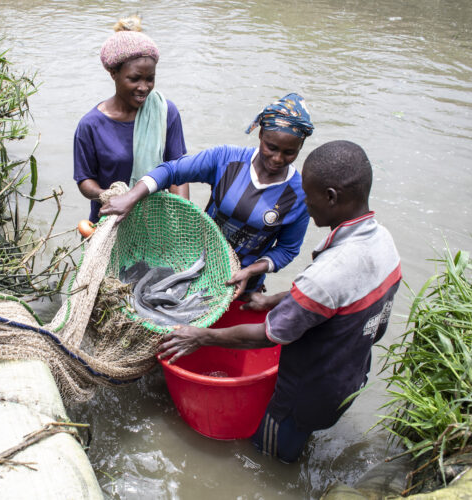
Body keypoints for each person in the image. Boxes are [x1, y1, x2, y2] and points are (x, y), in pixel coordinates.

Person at [157, 140, 402, 463]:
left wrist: (202, 336)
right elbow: (341, 300)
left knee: (267, 461)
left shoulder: (325, 274)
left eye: (308, 194)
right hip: (351, 378)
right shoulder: (383, 242)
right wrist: (272, 300)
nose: (305, 203)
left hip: (303, 395)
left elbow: (267, 335)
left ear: (331, 196)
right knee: (302, 439)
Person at [99, 93, 314, 298]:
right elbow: (171, 171)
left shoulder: (300, 194)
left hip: (243, 287)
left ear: (300, 147)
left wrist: (251, 271)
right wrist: (132, 196)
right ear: (260, 135)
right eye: (271, 147)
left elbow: (287, 249)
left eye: (289, 153)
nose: (277, 158)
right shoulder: (226, 159)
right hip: (194, 269)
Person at [74, 16, 188, 223]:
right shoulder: (90, 125)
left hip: (157, 223)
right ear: (113, 73)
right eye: (134, 79)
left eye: (150, 78)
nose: (144, 87)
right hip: (109, 222)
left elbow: (178, 172)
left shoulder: (165, 112)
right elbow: (84, 180)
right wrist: (105, 195)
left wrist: (182, 217)